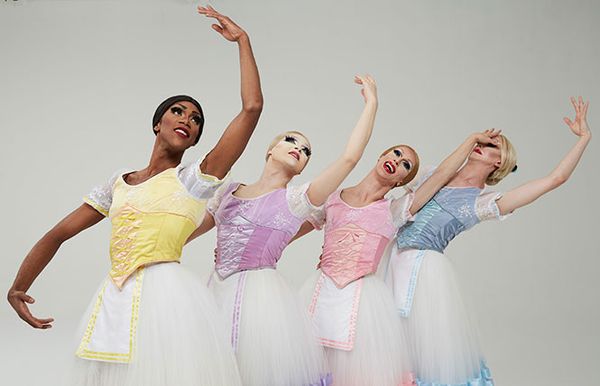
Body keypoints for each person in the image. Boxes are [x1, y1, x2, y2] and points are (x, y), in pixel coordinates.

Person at [7, 6, 262, 385]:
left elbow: (252, 108)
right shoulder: (118, 183)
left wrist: (243, 41)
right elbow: (58, 234)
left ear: (195, 138)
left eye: (195, 120)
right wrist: (18, 287)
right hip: (114, 297)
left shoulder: (196, 178)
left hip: (166, 300)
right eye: (178, 111)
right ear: (157, 123)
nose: (187, 120)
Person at [384, 97, 591, 386]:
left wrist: (584, 138)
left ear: (499, 161)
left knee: (426, 348)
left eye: (492, 145)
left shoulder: (480, 203)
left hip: (424, 270)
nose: (483, 143)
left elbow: (555, 179)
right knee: (389, 341)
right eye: (482, 140)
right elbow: (389, 201)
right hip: (393, 260)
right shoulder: (434, 173)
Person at [187, 74, 379, 386]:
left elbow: (349, 158)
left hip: (259, 299)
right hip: (216, 289)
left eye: (306, 150)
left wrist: (371, 103)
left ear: (303, 166)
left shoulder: (298, 200)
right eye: (291, 140)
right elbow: (187, 232)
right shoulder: (229, 190)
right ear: (270, 149)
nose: (298, 149)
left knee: (253, 369)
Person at [296, 127, 502, 386]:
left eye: (406, 164)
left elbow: (440, 176)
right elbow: (294, 228)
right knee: (310, 362)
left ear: (401, 181)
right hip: (321, 289)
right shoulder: (333, 198)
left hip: (361, 298)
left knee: (357, 370)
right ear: (382, 156)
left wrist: (471, 140)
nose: (397, 161)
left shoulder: (393, 210)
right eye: (396, 153)